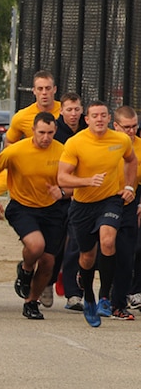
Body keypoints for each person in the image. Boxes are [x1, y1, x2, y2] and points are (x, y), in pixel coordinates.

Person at [57, 100, 137, 327]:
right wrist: (86, 181)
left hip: (110, 200)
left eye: (103, 115)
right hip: (82, 205)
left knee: (108, 241)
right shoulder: (75, 143)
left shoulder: (120, 140)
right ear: (87, 120)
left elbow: (131, 160)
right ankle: (89, 297)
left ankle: (104, 298)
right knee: (87, 257)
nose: (100, 119)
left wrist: (130, 187)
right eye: (95, 116)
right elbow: (62, 178)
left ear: (109, 119)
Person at [0, 112, 68, 320]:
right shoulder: (15, 151)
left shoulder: (63, 151)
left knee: (49, 262)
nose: (46, 137)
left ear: (55, 131)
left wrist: (64, 192)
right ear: (33, 130)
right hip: (22, 207)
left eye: (50, 133)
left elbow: (75, 180)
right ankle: (26, 268)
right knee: (36, 246)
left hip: (52, 209)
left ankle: (31, 301)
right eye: (41, 132)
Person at [52, 92, 87, 310]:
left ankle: (74, 294)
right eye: (69, 110)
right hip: (56, 195)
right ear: (61, 111)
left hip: (81, 194)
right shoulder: (54, 132)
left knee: (75, 244)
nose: (73, 114)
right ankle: (47, 280)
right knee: (54, 245)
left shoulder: (89, 130)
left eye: (77, 109)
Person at [106, 105, 141, 318]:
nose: (131, 131)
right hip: (101, 201)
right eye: (126, 127)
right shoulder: (106, 145)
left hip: (129, 202)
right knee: (98, 250)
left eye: (135, 126)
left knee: (126, 254)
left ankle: (118, 303)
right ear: (116, 126)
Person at [4, 70, 61, 147]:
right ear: (34, 91)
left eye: (48, 88)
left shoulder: (66, 112)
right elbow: (8, 143)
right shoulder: (22, 117)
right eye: (40, 89)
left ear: (54, 89)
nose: (44, 92)